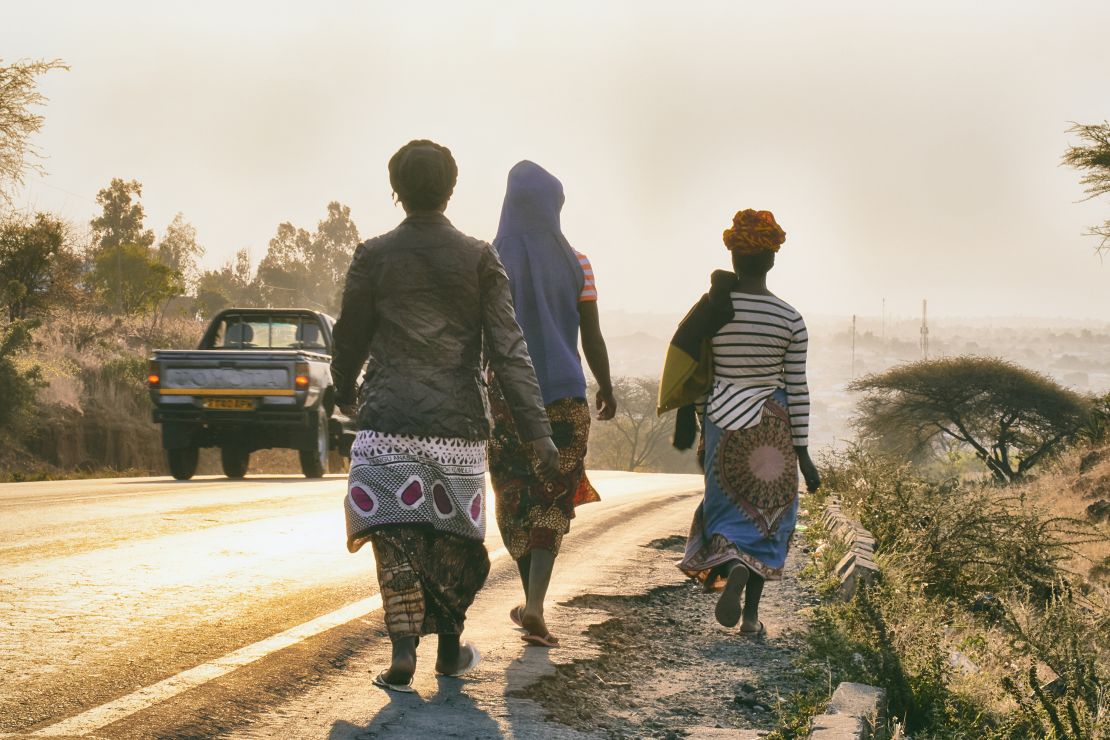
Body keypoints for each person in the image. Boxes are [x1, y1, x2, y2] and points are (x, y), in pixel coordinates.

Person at [330, 140, 560, 692]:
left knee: (397, 536)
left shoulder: (373, 255)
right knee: (453, 540)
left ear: (397, 191)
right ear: (450, 189)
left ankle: (403, 650)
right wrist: (539, 433)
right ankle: (451, 651)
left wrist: (342, 390)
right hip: (456, 430)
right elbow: (510, 350)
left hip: (386, 423)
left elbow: (350, 337)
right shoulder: (480, 258)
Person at [660, 209, 820, 635]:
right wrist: (804, 454)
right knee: (768, 516)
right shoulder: (790, 319)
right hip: (773, 430)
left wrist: (700, 428)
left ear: (733, 257)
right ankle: (750, 618)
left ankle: (733, 566)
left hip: (722, 424)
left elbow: (699, 372)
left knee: (728, 511)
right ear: (771, 260)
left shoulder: (715, 312)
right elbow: (798, 389)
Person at [487, 160, 617, 648]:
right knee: (552, 497)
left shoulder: (491, 259)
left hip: (507, 399)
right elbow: (593, 336)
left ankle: (531, 602)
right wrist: (605, 384)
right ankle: (535, 603)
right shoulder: (576, 261)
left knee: (514, 498)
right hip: (565, 395)